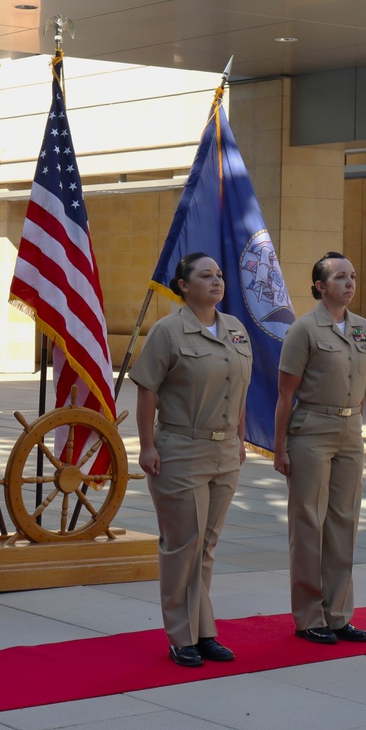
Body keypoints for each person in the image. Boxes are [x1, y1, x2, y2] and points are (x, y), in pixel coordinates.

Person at [131, 252, 252, 667]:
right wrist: (147, 446)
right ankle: (181, 636)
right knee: (183, 545)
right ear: (184, 285)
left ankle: (203, 633)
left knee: (207, 545)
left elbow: (240, 389)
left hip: (224, 452)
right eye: (205, 275)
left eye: (219, 275)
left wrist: (238, 438)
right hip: (181, 449)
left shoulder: (235, 329)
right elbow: (147, 389)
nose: (216, 281)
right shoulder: (168, 331)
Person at [273, 252, 366, 645]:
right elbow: (285, 394)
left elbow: (361, 386)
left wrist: (356, 424)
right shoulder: (304, 330)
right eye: (339, 278)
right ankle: (309, 616)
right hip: (311, 430)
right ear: (319, 286)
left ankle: (338, 614)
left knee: (344, 523)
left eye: (352, 276)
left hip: (349, 431)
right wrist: (280, 449)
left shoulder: (363, 328)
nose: (349, 283)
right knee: (308, 525)